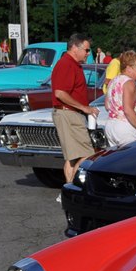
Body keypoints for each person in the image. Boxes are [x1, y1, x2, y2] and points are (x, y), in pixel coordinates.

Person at [51, 33, 99, 187]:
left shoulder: (70, 64)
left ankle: (69, 188)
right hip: (69, 114)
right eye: (86, 50)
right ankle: (71, 190)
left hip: (68, 113)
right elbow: (60, 93)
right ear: (74, 48)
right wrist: (84, 108)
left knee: (72, 157)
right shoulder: (67, 64)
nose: (88, 53)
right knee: (87, 154)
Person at [103, 50, 136, 148]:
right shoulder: (129, 83)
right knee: (132, 161)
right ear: (129, 68)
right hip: (127, 130)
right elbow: (128, 110)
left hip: (111, 127)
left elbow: (107, 106)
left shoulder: (114, 81)